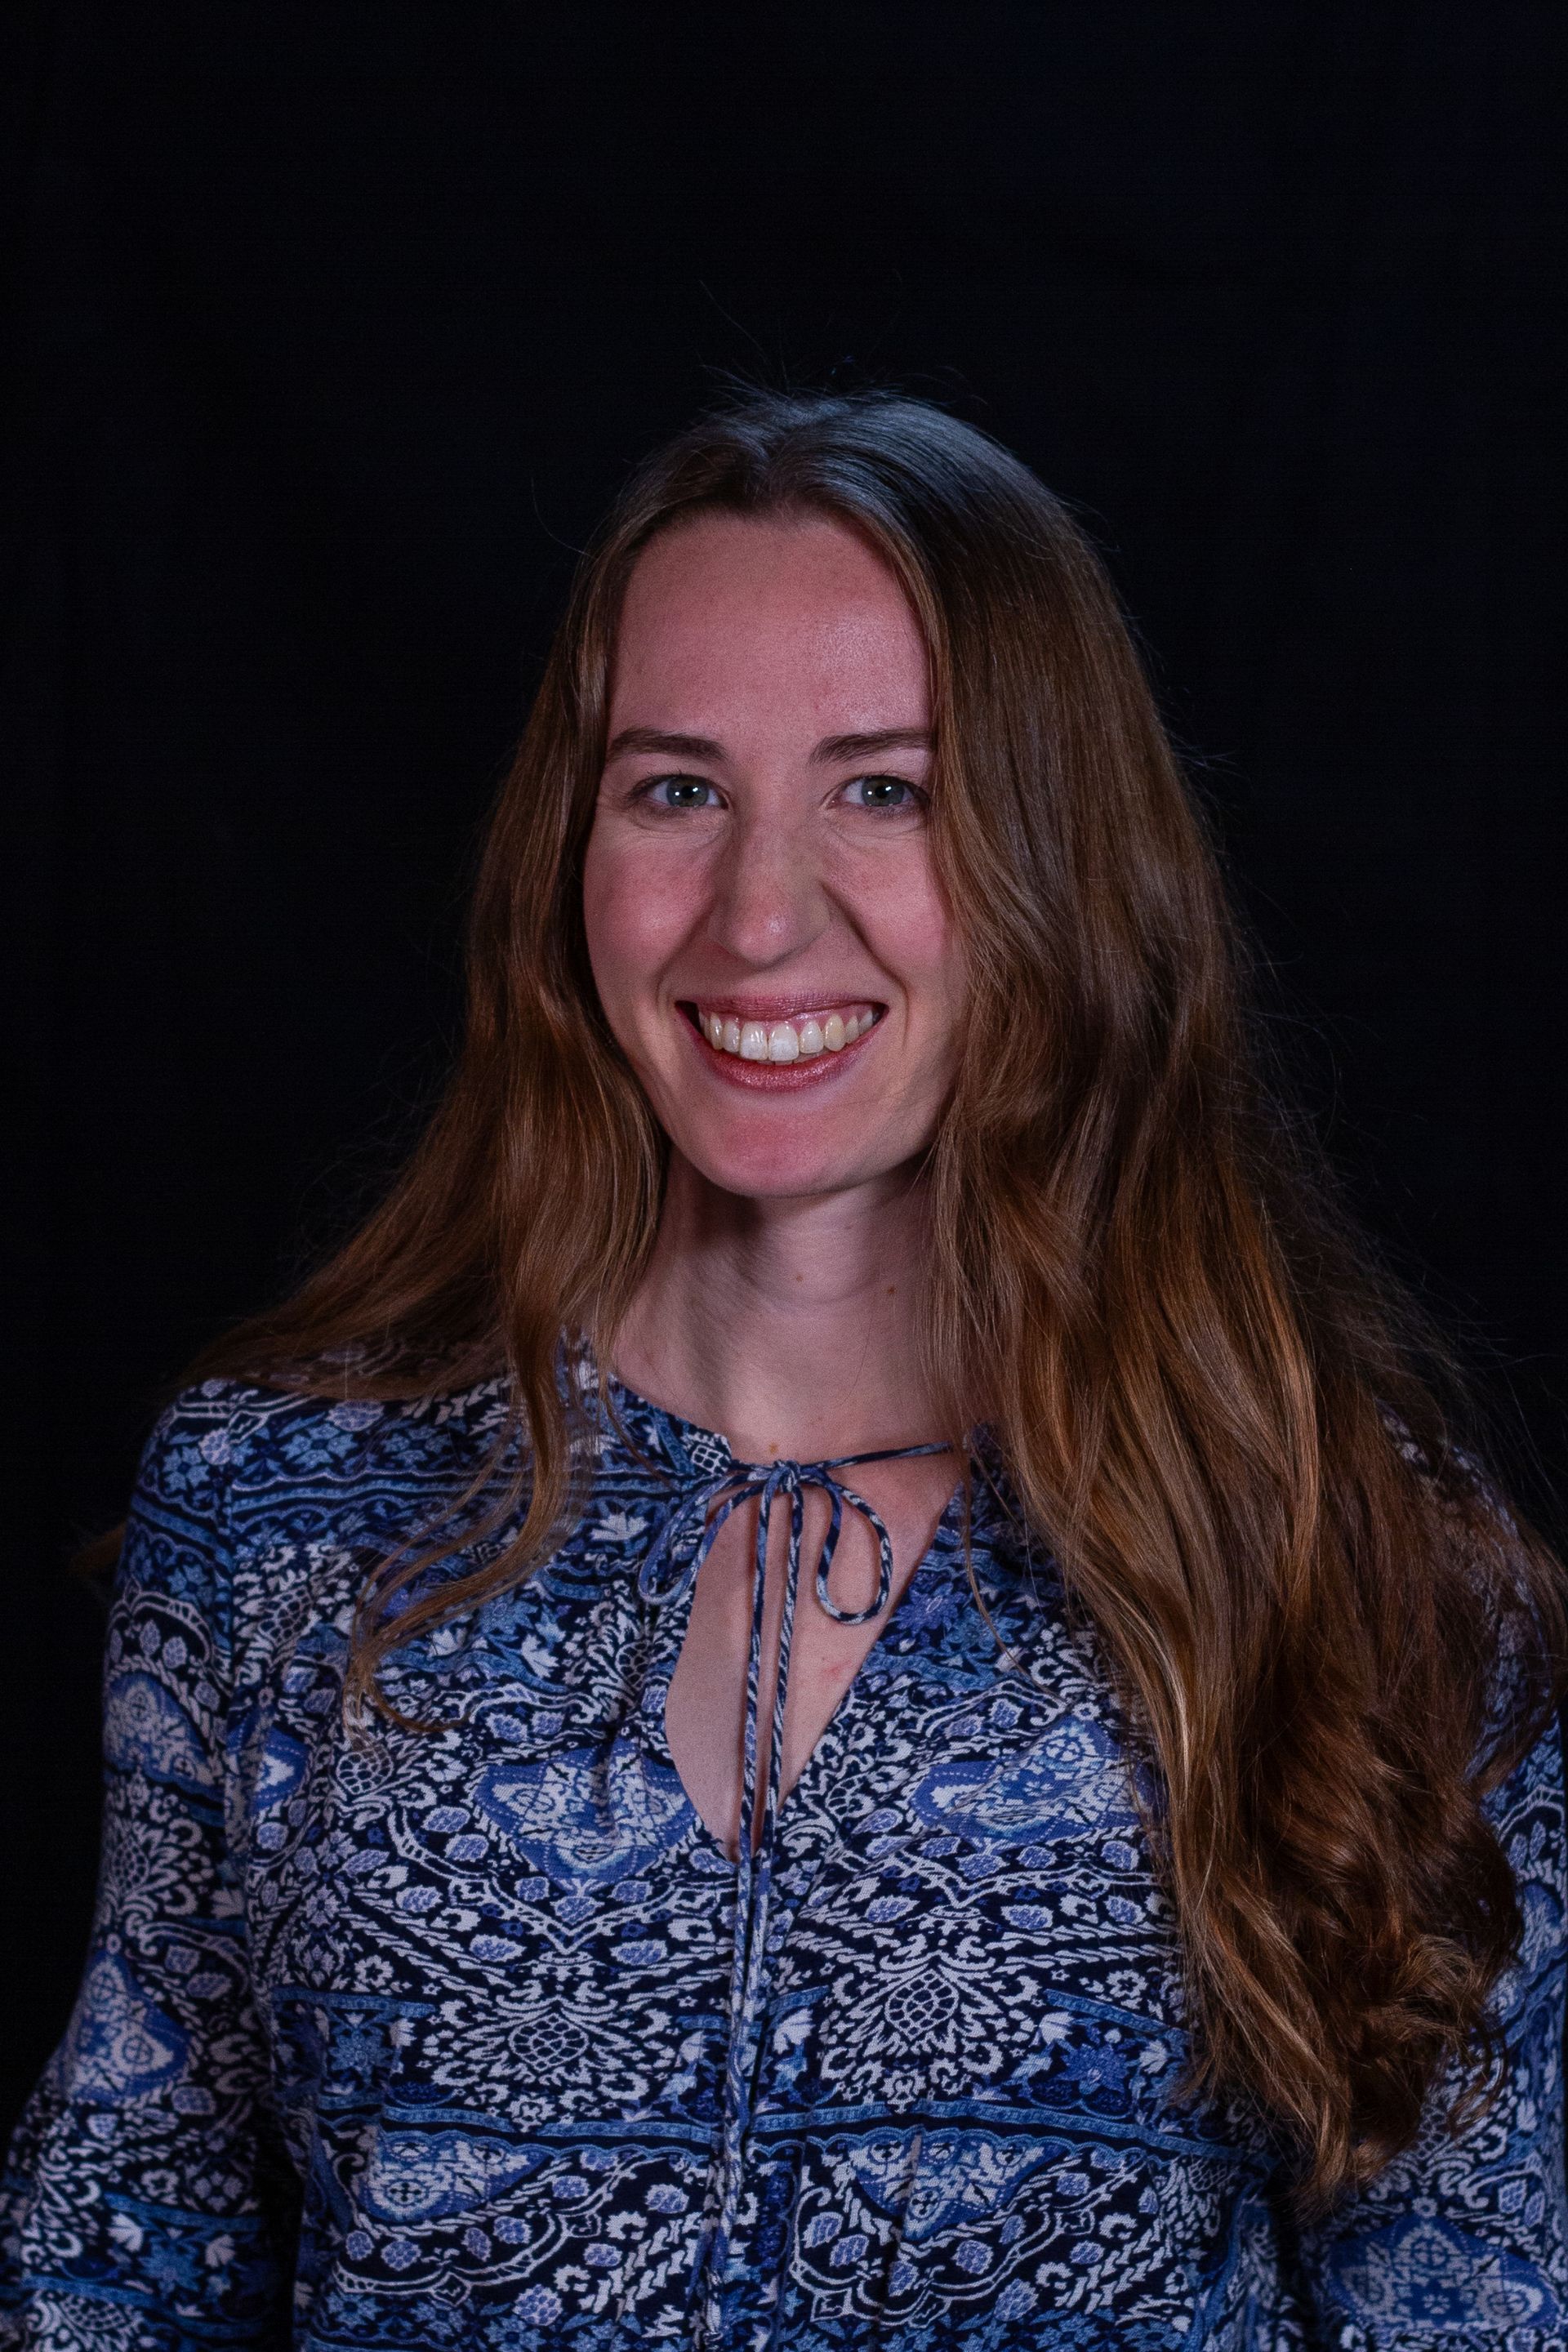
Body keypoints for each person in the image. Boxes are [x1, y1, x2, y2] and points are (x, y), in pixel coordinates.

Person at [2, 390, 1563, 2351]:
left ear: (1063, 861)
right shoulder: (274, 1510)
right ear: (567, 856)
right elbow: (118, 2249)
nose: (758, 914)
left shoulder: (1357, 1553)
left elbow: (1479, 2295)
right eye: (675, 789)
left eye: (886, 788)